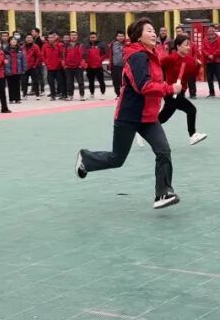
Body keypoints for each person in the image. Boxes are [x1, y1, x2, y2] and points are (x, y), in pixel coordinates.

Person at [76, 18, 181, 210]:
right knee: (117, 159)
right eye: (149, 30)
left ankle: (163, 193)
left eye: (154, 30)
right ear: (138, 37)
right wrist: (170, 88)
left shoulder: (153, 54)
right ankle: (86, 159)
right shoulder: (137, 57)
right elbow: (144, 86)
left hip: (148, 116)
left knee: (163, 151)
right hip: (129, 115)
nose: (153, 33)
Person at [159, 35, 208, 145]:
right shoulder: (169, 59)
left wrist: (198, 66)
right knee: (191, 110)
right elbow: (158, 67)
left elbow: (193, 75)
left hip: (181, 92)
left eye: (189, 45)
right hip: (170, 92)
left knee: (163, 117)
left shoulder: (190, 60)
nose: (188, 47)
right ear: (178, 46)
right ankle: (193, 135)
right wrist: (162, 81)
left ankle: (142, 128)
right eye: (186, 45)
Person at [201, 27, 220, 98]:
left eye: (212, 30)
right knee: (209, 78)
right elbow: (203, 49)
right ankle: (211, 93)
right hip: (208, 61)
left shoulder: (219, 39)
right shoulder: (205, 39)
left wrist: (213, 55)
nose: (211, 32)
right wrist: (208, 55)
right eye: (209, 30)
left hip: (217, 61)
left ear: (214, 31)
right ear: (207, 32)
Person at [63, 31, 87, 101]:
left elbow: (84, 56)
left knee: (80, 82)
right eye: (72, 35)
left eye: (75, 35)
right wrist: (64, 65)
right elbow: (63, 56)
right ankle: (70, 95)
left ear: (77, 36)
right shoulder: (66, 46)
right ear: (70, 37)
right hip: (68, 67)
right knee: (69, 82)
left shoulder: (81, 45)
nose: (73, 37)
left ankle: (82, 95)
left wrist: (81, 65)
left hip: (78, 67)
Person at [43, 31, 66, 100]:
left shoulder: (59, 45)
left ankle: (63, 94)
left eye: (52, 37)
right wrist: (47, 63)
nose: (50, 39)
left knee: (60, 82)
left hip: (58, 67)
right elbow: (43, 56)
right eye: (49, 38)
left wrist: (59, 62)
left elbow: (62, 55)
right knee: (51, 82)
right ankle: (53, 95)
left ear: (55, 38)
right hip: (49, 67)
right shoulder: (45, 46)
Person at [85, 32, 108, 99]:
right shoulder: (86, 45)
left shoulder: (101, 44)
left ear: (96, 37)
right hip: (89, 67)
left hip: (98, 66)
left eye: (94, 37)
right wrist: (86, 62)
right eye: (91, 37)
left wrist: (100, 59)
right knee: (91, 81)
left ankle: (102, 93)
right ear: (89, 38)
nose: (92, 38)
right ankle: (92, 93)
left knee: (101, 81)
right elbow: (84, 54)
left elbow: (105, 53)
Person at [5, 36, 26, 104]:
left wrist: (23, 68)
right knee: (10, 85)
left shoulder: (20, 50)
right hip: (9, 70)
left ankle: (17, 99)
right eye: (12, 40)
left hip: (17, 70)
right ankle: (11, 99)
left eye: (15, 40)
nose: (14, 41)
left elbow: (23, 59)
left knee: (17, 85)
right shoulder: (6, 50)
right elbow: (4, 60)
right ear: (9, 42)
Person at [23, 35, 43, 99]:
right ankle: (24, 94)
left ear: (32, 39)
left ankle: (37, 94)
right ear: (25, 39)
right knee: (24, 81)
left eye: (30, 38)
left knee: (35, 81)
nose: (29, 39)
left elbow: (39, 57)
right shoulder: (23, 47)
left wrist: (35, 65)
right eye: (27, 38)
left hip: (33, 67)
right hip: (25, 67)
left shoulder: (35, 46)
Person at [109, 31, 127, 97]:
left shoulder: (127, 44)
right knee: (116, 81)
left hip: (125, 66)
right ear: (116, 37)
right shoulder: (113, 44)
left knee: (124, 81)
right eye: (119, 36)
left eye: (122, 36)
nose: (120, 37)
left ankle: (124, 94)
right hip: (115, 66)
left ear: (124, 37)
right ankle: (118, 94)